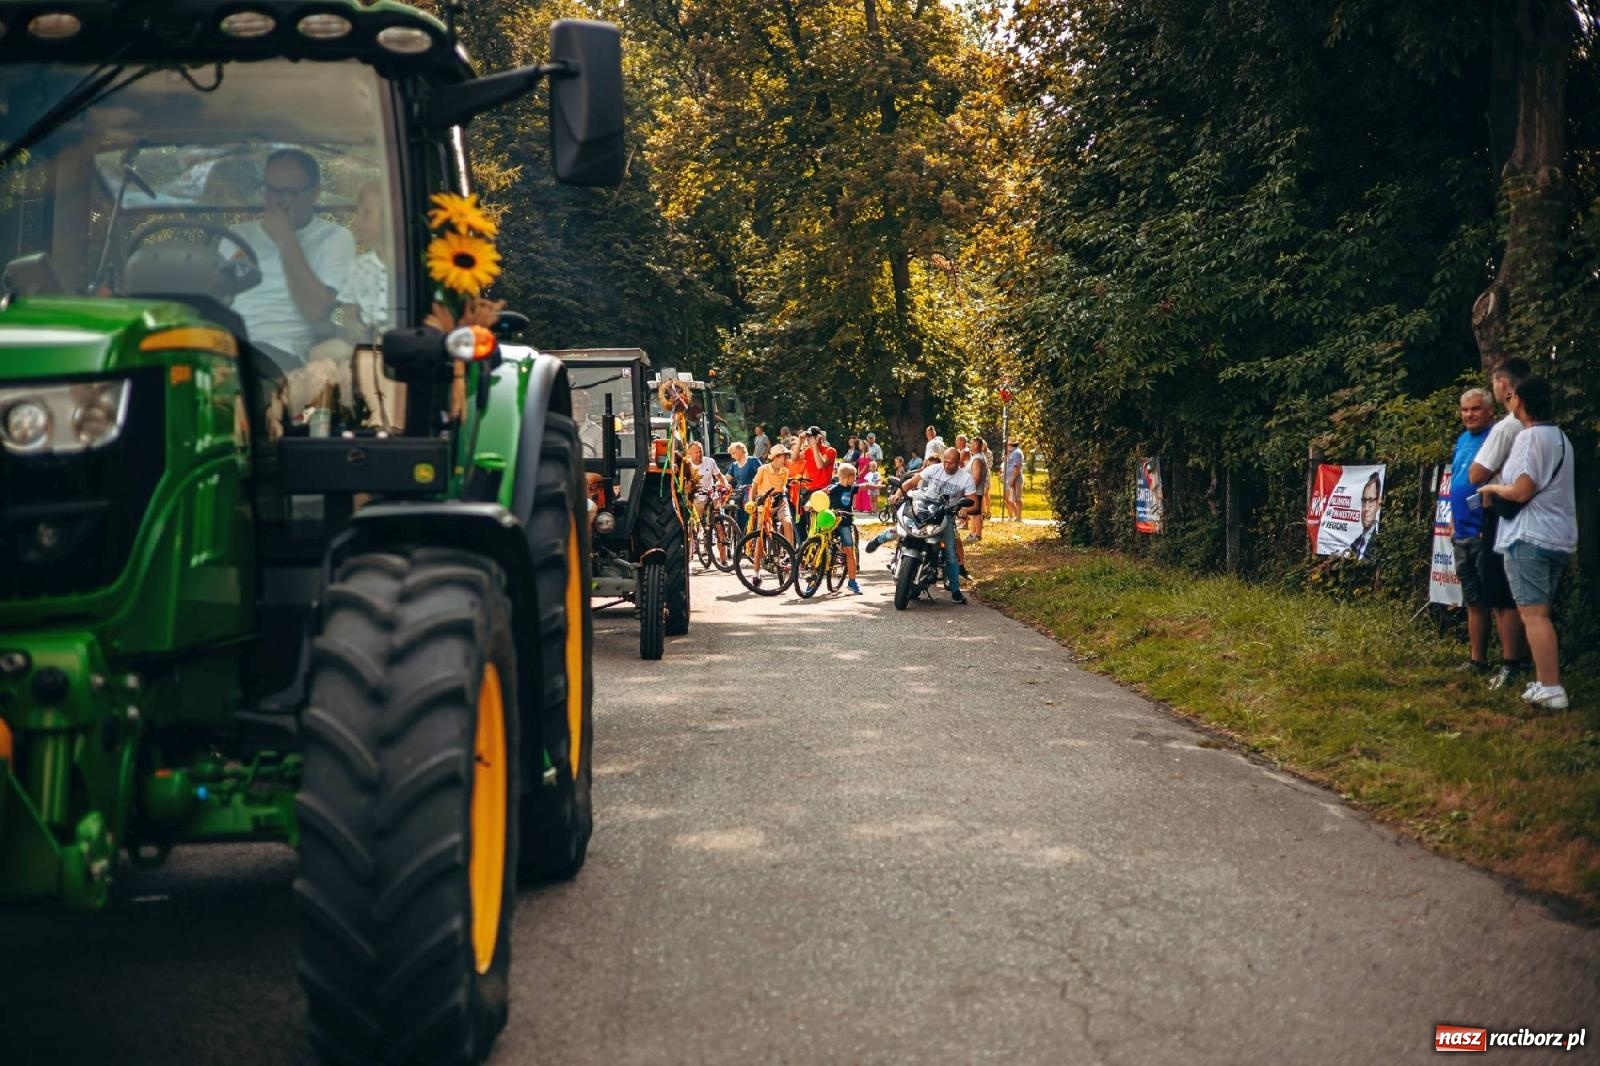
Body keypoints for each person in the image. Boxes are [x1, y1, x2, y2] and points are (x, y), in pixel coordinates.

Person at [1477, 376, 1576, 711]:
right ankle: (1543, 679)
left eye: (1512, 396)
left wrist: (1491, 490)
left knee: (1533, 615)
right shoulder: (1560, 437)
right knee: (1541, 613)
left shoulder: (1530, 437)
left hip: (1529, 535)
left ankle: (1551, 687)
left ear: (1520, 400)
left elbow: (1521, 490)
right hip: (1558, 535)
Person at [229, 148, 356, 369]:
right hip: (228, 345)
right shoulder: (237, 235)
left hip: (284, 352)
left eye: (288, 192)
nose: (277, 202)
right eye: (270, 190)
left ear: (315, 193)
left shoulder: (334, 238)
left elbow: (316, 311)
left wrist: (286, 239)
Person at [1468, 358, 1533, 690]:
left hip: (1502, 511)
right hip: (1531, 514)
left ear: (1504, 385)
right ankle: (1521, 660)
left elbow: (1477, 473)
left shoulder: (1507, 427)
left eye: (1494, 381)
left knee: (1501, 594)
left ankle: (1511, 663)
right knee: (1524, 592)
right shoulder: (1540, 427)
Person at [866, 447, 976, 603]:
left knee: (950, 552)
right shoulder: (934, 469)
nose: (946, 465)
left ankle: (955, 590)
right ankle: (880, 539)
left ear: (958, 462)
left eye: (951, 463)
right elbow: (912, 482)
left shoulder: (965, 478)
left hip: (946, 515)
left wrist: (964, 509)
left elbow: (974, 502)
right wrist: (898, 493)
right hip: (924, 507)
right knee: (902, 528)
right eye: (945, 461)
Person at [1447, 387, 1497, 672]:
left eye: (1475, 409)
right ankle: (1478, 660)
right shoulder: (1463, 439)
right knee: (1473, 599)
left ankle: (1514, 661)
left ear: (1490, 411)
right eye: (1465, 410)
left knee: (1500, 601)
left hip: (1485, 529)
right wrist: (1453, 518)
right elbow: (1457, 479)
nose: (1469, 414)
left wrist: (1488, 521)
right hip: (1462, 530)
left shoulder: (1496, 438)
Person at [746, 443, 796, 586]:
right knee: (761, 538)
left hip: (779, 502)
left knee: (787, 522)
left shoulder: (785, 471)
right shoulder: (763, 469)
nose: (786, 458)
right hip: (764, 503)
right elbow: (754, 487)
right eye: (784, 456)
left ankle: (788, 555)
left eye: (786, 456)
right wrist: (752, 503)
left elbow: (783, 487)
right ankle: (756, 573)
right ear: (776, 457)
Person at [826, 462, 864, 595]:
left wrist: (877, 485)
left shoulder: (852, 488)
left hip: (845, 523)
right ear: (847, 477)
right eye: (854, 477)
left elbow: (864, 486)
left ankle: (852, 581)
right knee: (819, 544)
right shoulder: (834, 488)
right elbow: (823, 492)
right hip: (831, 522)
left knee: (849, 550)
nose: (855, 479)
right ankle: (814, 577)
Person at [726, 441, 761, 530]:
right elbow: (727, 478)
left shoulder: (753, 461)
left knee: (748, 514)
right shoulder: (734, 465)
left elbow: (762, 475)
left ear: (740, 450)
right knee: (735, 510)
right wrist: (717, 483)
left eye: (733, 453)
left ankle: (749, 534)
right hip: (738, 495)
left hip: (751, 493)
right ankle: (740, 536)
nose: (732, 456)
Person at [1347, 473, 1382, 560]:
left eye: (1371, 501)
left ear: (1378, 504)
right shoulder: (1354, 543)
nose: (1366, 508)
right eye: (1364, 501)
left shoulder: (1379, 541)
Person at [967, 447, 990, 542]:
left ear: (975, 446)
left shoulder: (978, 459)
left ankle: (978, 535)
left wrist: (971, 488)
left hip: (976, 490)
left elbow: (976, 476)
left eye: (971, 444)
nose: (969, 446)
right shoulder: (977, 457)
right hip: (974, 490)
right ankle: (972, 533)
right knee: (972, 514)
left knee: (976, 513)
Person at [1004, 440, 1025, 520]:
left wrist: (1012, 479)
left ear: (1010, 445)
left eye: (1007, 445)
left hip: (1016, 478)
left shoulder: (1016, 453)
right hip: (1010, 478)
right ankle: (1013, 516)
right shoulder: (1012, 453)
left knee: (1017, 498)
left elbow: (1017, 468)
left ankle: (1019, 517)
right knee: (1009, 498)